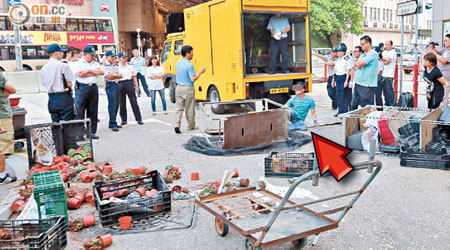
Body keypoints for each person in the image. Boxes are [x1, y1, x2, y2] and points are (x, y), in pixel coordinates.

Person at [73, 46, 104, 140]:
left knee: (93, 111)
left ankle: (91, 132)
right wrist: (94, 72)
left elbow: (102, 72)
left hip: (93, 87)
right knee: (80, 111)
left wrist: (89, 71)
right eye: (91, 55)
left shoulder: (96, 63)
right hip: (82, 87)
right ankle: (80, 133)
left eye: (94, 54)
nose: (93, 56)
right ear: (85, 54)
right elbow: (80, 74)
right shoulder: (78, 63)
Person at [174, 45, 206, 134]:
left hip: (179, 87)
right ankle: (191, 126)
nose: (193, 54)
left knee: (179, 108)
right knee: (189, 108)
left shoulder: (178, 63)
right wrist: (200, 72)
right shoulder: (189, 65)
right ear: (187, 53)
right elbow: (193, 79)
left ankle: (176, 124)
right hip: (188, 88)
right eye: (192, 53)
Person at [40, 44, 75, 123]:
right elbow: (69, 84)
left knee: (55, 124)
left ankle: (56, 136)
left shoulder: (44, 68)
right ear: (56, 53)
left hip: (51, 98)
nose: (63, 54)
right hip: (64, 97)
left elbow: (44, 84)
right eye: (61, 52)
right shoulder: (63, 66)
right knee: (67, 124)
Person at [352, 35, 379, 109]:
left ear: (368, 43)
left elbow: (360, 63)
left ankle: (368, 120)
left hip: (367, 84)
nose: (361, 46)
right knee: (354, 104)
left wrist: (359, 64)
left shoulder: (373, 54)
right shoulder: (363, 54)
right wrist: (358, 64)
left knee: (366, 106)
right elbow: (356, 66)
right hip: (359, 83)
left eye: (363, 44)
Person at [117, 52, 144, 126]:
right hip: (120, 83)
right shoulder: (116, 67)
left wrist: (137, 86)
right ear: (119, 58)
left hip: (129, 83)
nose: (124, 59)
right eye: (123, 58)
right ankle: (124, 119)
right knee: (122, 103)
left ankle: (139, 118)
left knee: (134, 101)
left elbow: (134, 76)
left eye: (125, 57)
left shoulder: (130, 66)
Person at [0, 73, 16, 184]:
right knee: (2, 145)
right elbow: (13, 89)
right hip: (1, 115)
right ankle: (1, 176)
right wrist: (7, 89)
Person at [102, 50, 123, 132]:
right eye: (111, 56)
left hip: (117, 84)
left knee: (117, 104)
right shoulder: (104, 66)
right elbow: (108, 77)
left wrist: (114, 76)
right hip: (110, 85)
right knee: (112, 104)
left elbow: (121, 75)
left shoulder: (115, 65)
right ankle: (113, 122)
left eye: (114, 56)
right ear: (107, 57)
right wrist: (116, 76)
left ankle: (112, 121)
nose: (113, 58)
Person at [333, 43, 354, 116]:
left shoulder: (347, 58)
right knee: (338, 95)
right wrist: (333, 80)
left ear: (343, 52)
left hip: (344, 77)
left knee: (344, 96)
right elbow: (335, 70)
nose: (337, 53)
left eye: (339, 51)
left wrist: (347, 81)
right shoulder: (338, 59)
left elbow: (349, 70)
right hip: (338, 77)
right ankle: (340, 110)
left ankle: (345, 111)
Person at [381, 40, 397, 106]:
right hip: (383, 74)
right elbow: (382, 60)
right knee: (384, 92)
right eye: (385, 44)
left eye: (388, 44)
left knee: (389, 91)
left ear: (391, 45)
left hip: (389, 74)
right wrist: (384, 60)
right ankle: (386, 104)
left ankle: (392, 104)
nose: (386, 46)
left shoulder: (393, 52)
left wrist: (384, 60)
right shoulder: (384, 52)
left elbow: (388, 61)